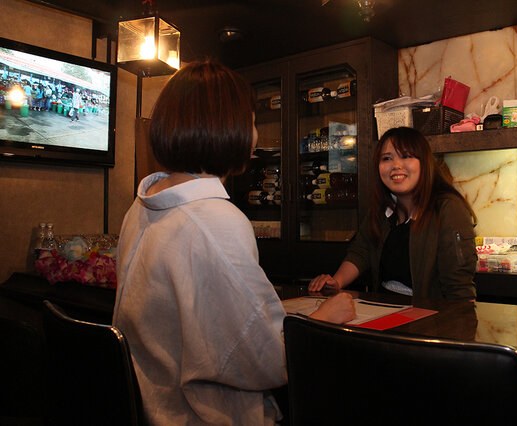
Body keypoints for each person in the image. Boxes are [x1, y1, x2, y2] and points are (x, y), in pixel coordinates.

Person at [113, 60, 355, 426]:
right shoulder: (215, 219)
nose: (254, 133)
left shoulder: (141, 204)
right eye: (252, 121)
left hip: (153, 405)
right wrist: (323, 317)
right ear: (230, 128)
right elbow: (263, 357)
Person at [309, 126, 477, 300]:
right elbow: (361, 251)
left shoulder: (448, 208)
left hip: (427, 312)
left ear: (424, 163)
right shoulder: (383, 208)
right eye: (387, 158)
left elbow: (459, 286)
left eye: (406, 156)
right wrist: (336, 282)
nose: (396, 166)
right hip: (383, 307)